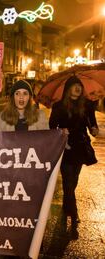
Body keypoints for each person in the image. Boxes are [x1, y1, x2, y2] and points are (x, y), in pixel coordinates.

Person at [49, 76, 99, 229]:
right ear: (68, 88)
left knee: (74, 179)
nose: (78, 88)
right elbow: (52, 126)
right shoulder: (58, 106)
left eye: (79, 85)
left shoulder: (88, 105)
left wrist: (94, 129)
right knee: (67, 180)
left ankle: (67, 203)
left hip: (80, 147)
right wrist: (60, 131)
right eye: (74, 85)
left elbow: (93, 124)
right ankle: (74, 211)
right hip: (65, 146)